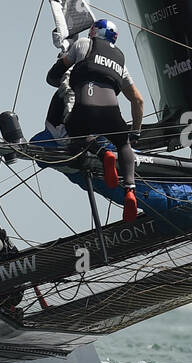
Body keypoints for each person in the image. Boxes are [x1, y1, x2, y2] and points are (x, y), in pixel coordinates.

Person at [45, 19, 146, 220]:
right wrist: (135, 132)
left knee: (74, 139)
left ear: (94, 31)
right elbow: (138, 100)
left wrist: (60, 72)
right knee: (123, 143)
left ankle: (103, 154)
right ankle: (129, 190)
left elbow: (55, 73)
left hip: (85, 105)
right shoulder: (120, 60)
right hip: (112, 113)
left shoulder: (84, 43)